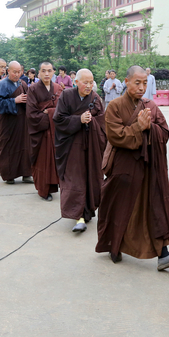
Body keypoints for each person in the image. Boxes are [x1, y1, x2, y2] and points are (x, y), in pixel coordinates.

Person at [96, 66, 169, 270]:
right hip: (124, 168)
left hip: (149, 167)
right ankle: (114, 246)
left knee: (155, 206)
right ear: (126, 81)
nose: (142, 87)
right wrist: (138, 127)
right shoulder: (115, 106)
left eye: (145, 83)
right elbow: (116, 136)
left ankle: (163, 254)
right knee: (120, 208)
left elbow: (165, 132)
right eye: (137, 82)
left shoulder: (151, 105)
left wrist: (150, 128)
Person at [53, 69, 106, 232]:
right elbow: (59, 119)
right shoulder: (66, 96)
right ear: (76, 82)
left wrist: (92, 122)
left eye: (91, 82)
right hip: (71, 147)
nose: (89, 86)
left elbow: (103, 122)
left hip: (91, 147)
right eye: (85, 82)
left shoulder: (96, 98)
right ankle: (79, 216)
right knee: (74, 180)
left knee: (91, 179)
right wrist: (79, 119)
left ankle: (87, 211)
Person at [27, 62, 63, 201]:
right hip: (41, 132)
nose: (47, 74)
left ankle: (52, 187)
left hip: (55, 132)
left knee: (54, 161)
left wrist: (50, 112)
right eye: (43, 71)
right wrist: (48, 115)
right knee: (42, 161)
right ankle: (43, 190)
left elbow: (63, 110)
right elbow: (31, 113)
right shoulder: (33, 89)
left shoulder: (58, 88)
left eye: (49, 71)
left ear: (54, 72)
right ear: (39, 73)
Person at [0, 61, 33, 184]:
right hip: (8, 123)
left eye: (19, 72)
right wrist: (14, 100)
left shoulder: (23, 83)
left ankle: (26, 174)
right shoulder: (3, 84)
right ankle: (9, 175)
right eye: (14, 72)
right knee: (8, 147)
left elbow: (29, 99)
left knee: (25, 146)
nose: (17, 74)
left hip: (22, 122)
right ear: (8, 71)